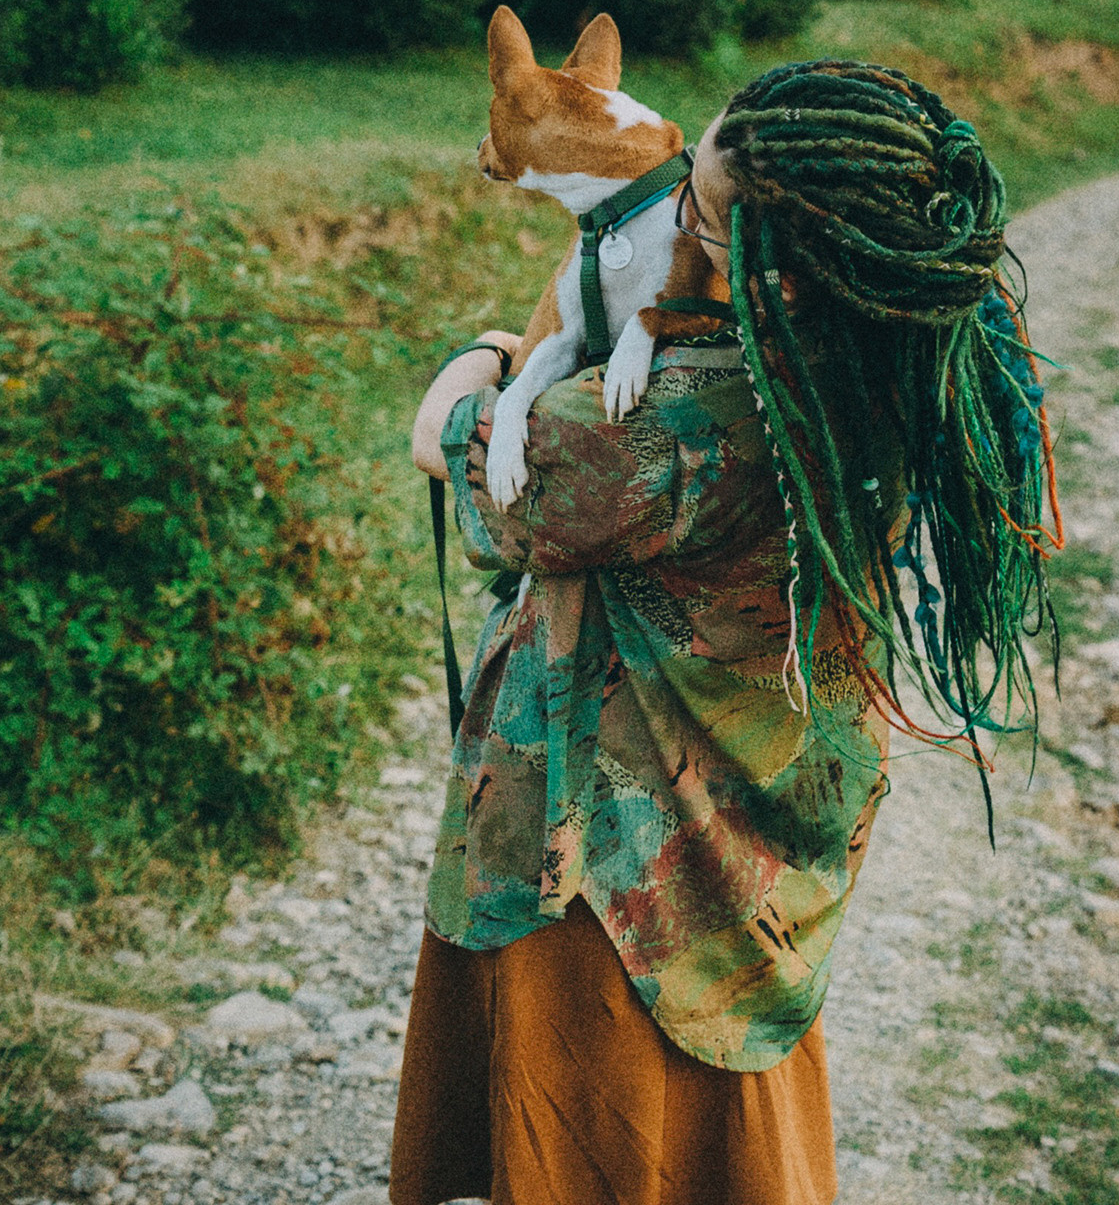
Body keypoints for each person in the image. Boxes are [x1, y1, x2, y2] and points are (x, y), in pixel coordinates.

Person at [390, 58, 1057, 1205]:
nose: (672, 227)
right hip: (757, 858)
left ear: (783, 275)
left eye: (694, 213)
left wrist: (493, 356)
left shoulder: (667, 424)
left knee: (591, 1146)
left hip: (609, 882)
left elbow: (440, 442)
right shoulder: (880, 369)